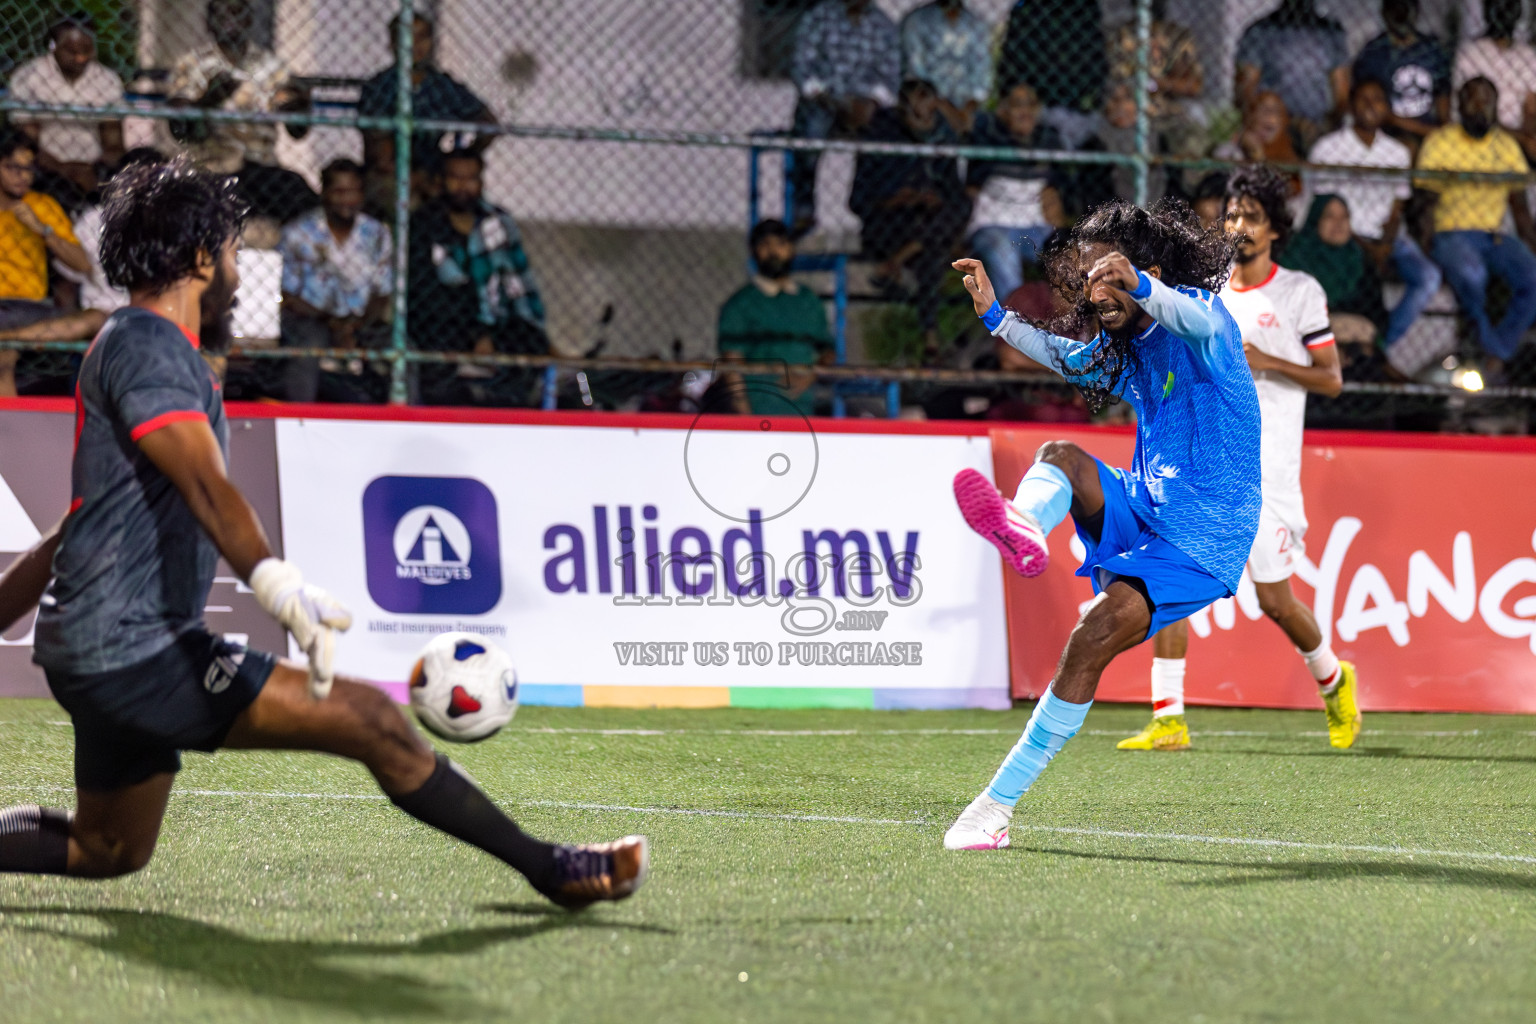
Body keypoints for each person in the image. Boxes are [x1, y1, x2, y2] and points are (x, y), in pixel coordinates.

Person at [0, 158, 647, 907]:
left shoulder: (127, 343)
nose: (241, 270)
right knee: (371, 719)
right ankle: (554, 868)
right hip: (133, 648)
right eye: (236, 251)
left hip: (97, 648)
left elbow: (75, 522)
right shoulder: (150, 346)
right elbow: (208, 487)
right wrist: (278, 585)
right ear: (202, 257)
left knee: (108, 847)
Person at [941, 199, 1261, 850]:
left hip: (1205, 535)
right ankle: (1024, 526)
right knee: (1061, 457)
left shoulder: (1202, 315)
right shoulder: (1131, 345)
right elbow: (1070, 360)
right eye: (1087, 278)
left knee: (1091, 636)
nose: (1095, 289)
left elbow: (1193, 317)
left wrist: (1142, 284)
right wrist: (997, 319)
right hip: (1147, 502)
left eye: (1105, 273)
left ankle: (993, 810)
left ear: (1143, 268)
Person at [1117, 167, 1359, 754]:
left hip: (1268, 471)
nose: (1239, 226)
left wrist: (1268, 361)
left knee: (1275, 600)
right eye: (1231, 215)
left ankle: (1333, 679)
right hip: (1202, 463)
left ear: (1276, 227)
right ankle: (1168, 716)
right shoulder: (1207, 291)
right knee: (1169, 571)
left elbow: (1331, 380)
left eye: (1252, 216)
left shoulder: (1300, 292)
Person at [1308, 78, 1441, 362]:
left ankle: (1381, 343)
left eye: (1378, 99)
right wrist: (1369, 250)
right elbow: (1325, 210)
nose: (1371, 106)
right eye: (1363, 99)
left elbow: (1397, 207)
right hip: (1344, 235)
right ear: (1351, 106)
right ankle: (1358, 347)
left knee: (1429, 277)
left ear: (1387, 107)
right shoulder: (1328, 148)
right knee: (1363, 281)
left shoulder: (1397, 152)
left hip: (1388, 237)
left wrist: (1386, 244)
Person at [408, 150, 548, 406]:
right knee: (437, 354)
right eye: (455, 178)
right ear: (440, 181)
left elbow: (520, 282)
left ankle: (576, 400)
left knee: (537, 345)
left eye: (471, 179)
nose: (463, 186)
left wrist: (535, 328)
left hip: (498, 325)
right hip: (445, 327)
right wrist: (475, 334)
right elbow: (427, 296)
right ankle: (465, 402)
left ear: (481, 183)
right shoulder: (423, 226)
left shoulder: (499, 223)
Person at [1417, 76, 1536, 376]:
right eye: (1472, 99)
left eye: (1487, 100)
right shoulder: (1441, 141)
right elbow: (1424, 204)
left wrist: (1531, 247)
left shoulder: (1506, 146)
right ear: (1459, 104)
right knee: (1472, 274)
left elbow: (1519, 208)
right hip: (1451, 233)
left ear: (1497, 107)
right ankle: (1487, 343)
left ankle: (1497, 349)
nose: (1480, 107)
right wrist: (1426, 245)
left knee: (1533, 278)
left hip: (1494, 237)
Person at [168, 0, 317, 224]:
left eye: (236, 11)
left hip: (260, 167)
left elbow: (297, 132)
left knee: (300, 194)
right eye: (220, 12)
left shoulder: (271, 66)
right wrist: (210, 100)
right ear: (208, 22)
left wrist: (301, 106)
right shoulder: (191, 64)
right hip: (210, 165)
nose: (229, 18)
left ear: (249, 19)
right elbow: (178, 128)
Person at [850, 78, 970, 355]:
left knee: (949, 223)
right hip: (890, 226)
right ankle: (930, 335)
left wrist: (932, 198)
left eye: (929, 105)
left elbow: (955, 197)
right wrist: (896, 199)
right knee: (936, 249)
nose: (923, 113)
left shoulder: (941, 140)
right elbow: (857, 200)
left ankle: (929, 335)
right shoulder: (880, 138)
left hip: (930, 224)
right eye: (916, 105)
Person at [358, 12, 497, 216]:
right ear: (393, 45)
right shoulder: (379, 88)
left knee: (462, 192)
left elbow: (488, 123)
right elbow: (382, 156)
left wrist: (464, 157)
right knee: (409, 200)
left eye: (422, 37)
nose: (415, 45)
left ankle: (456, 246)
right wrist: (422, 180)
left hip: (435, 169)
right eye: (407, 38)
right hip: (388, 174)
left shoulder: (441, 85)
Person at [278, 158, 393, 403]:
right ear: (324, 192)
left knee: (402, 350)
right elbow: (287, 294)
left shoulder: (377, 234)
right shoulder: (298, 233)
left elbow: (382, 292)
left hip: (363, 321)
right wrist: (332, 322)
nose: (347, 200)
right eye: (339, 191)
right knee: (308, 348)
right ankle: (299, 417)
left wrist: (355, 325)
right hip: (311, 318)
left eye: (353, 192)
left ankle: (403, 420)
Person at [788, 0, 901, 237]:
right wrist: (833, 100)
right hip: (825, 101)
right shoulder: (819, 17)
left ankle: (867, 208)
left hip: (865, 105)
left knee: (886, 133)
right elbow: (802, 67)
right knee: (812, 129)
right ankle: (803, 209)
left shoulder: (883, 24)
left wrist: (872, 101)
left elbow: (890, 76)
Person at [0, 131, 94, 396]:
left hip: (28, 307)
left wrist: (43, 231)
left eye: (28, 169)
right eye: (13, 168)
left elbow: (83, 264)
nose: (23, 176)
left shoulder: (41, 205)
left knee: (3, 356)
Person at [717, 219, 835, 416]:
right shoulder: (741, 303)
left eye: (780, 244)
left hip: (802, 410)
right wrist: (743, 410)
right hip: (758, 409)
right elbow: (732, 362)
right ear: (755, 252)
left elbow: (828, 350)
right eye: (765, 245)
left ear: (791, 250)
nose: (773, 252)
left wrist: (809, 376)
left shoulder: (808, 300)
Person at [965, 84, 1070, 304]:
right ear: (1003, 110)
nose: (1025, 111)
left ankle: (1066, 326)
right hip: (993, 224)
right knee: (1004, 252)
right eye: (1017, 105)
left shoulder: (1048, 141)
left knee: (1066, 254)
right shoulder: (989, 139)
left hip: (1035, 226)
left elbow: (1058, 188)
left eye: (1030, 104)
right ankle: (1013, 330)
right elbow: (971, 186)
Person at [7, 14, 126, 209]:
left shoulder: (107, 79)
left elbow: (114, 142)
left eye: (87, 50)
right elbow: (25, 142)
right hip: (43, 168)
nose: (81, 57)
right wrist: (63, 169)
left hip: (93, 169)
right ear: (53, 46)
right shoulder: (29, 77)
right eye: (71, 51)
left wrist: (93, 169)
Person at [1105, 0, 1206, 190]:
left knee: (1194, 133)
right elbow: (1120, 84)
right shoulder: (1125, 36)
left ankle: (1188, 197)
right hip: (1133, 113)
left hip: (1170, 111)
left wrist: (1159, 84)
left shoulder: (1177, 35)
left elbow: (1194, 85)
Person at [1235, 0, 1350, 149]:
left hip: (1315, 127)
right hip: (1272, 127)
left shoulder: (1331, 32)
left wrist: (1325, 127)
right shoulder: (1261, 30)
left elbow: (1341, 94)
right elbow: (1246, 91)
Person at [1282, 194, 1390, 347]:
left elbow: (1376, 313)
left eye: (1344, 217)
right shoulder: (1296, 258)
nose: (1338, 223)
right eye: (1329, 217)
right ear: (1315, 220)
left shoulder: (1359, 260)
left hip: (1356, 346)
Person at [996, 0, 1107, 147]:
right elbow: (1012, 60)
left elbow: (1096, 59)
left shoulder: (1085, 11)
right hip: (1039, 101)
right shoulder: (1027, 10)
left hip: (1078, 101)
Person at [1352, 0, 1452, 149]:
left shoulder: (1433, 51)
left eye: (1406, 8)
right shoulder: (1373, 53)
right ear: (1384, 13)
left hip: (1427, 132)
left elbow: (1444, 113)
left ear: (1416, 12)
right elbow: (1366, 107)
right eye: (1395, 9)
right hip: (1386, 134)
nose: (1401, 14)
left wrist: (1436, 133)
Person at [1453, 0, 1536, 158]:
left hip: (1519, 134)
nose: (1505, 13)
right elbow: (1477, 114)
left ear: (1518, 13)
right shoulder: (1471, 53)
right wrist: (1522, 139)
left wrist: (1528, 135)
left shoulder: (1528, 55)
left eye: (1510, 6)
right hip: (1480, 132)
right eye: (1498, 7)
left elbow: (1532, 109)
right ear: (1487, 13)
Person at [898, 0, 992, 135]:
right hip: (930, 104)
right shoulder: (917, 21)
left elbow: (982, 76)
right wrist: (945, 109)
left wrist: (967, 110)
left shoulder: (977, 24)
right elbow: (915, 73)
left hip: (968, 108)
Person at [1213, 91, 1304, 196]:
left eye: (1276, 111)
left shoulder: (1288, 154)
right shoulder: (1232, 151)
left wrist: (1258, 154)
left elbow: (1285, 192)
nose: (1270, 117)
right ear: (1251, 116)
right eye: (1265, 111)